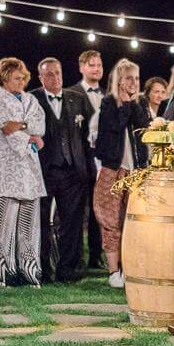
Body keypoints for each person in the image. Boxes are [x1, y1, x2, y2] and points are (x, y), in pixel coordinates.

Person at [0, 57, 47, 286]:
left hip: (29, 170)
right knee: (1, 223)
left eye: (23, 77)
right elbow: (5, 129)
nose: (21, 81)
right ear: (4, 78)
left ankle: (28, 271)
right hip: (5, 167)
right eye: (16, 78)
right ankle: (1, 271)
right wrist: (28, 134)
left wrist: (23, 127)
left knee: (29, 223)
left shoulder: (31, 100)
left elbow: (40, 126)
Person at [32, 57, 93, 283]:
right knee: (40, 222)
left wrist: (86, 169)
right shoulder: (32, 98)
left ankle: (67, 270)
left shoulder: (77, 99)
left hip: (72, 172)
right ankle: (42, 270)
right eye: (49, 74)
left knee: (72, 223)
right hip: (44, 170)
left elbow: (87, 136)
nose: (55, 77)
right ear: (40, 77)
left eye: (57, 73)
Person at [93, 59, 151, 288]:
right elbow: (114, 126)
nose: (134, 83)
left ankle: (131, 268)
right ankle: (113, 271)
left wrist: (134, 104)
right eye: (129, 78)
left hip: (134, 169)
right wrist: (125, 104)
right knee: (111, 219)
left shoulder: (138, 104)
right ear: (119, 79)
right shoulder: (109, 103)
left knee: (133, 219)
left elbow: (143, 127)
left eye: (137, 78)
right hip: (112, 169)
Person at [66, 49, 107, 270]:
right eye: (91, 65)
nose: (96, 69)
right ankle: (76, 257)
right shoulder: (70, 93)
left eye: (99, 65)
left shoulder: (107, 95)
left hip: (102, 160)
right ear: (82, 67)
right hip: (79, 160)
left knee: (98, 209)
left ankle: (96, 255)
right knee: (77, 209)